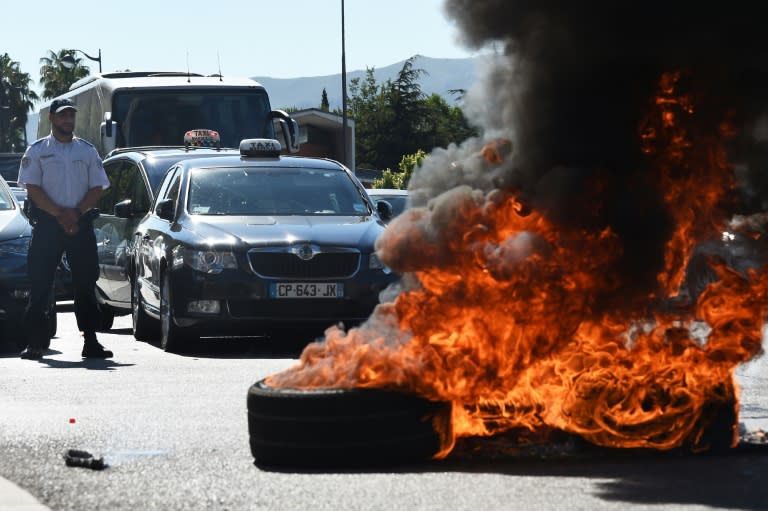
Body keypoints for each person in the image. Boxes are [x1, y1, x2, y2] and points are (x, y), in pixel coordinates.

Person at [17, 98, 112, 360]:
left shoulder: (87, 151)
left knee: (85, 283)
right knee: (40, 284)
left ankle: (91, 341)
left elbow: (98, 187)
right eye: (62, 116)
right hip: (49, 224)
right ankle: (36, 343)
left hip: (80, 224)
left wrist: (76, 213)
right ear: (52, 119)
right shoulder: (37, 151)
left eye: (71, 116)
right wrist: (61, 214)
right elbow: (32, 188)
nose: (68, 121)